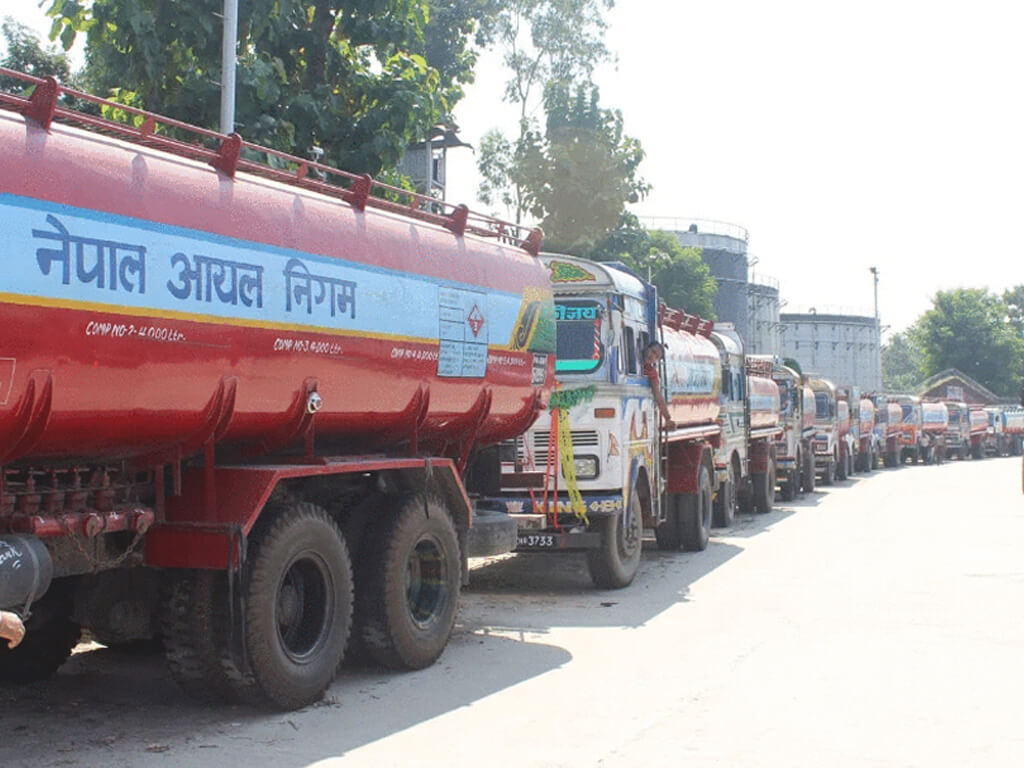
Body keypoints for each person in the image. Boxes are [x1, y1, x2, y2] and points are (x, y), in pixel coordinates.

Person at [642, 342, 675, 430]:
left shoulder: (652, 373)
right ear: (647, 348)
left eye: (656, 357)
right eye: (653, 351)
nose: (652, 356)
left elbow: (658, 395)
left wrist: (667, 418)